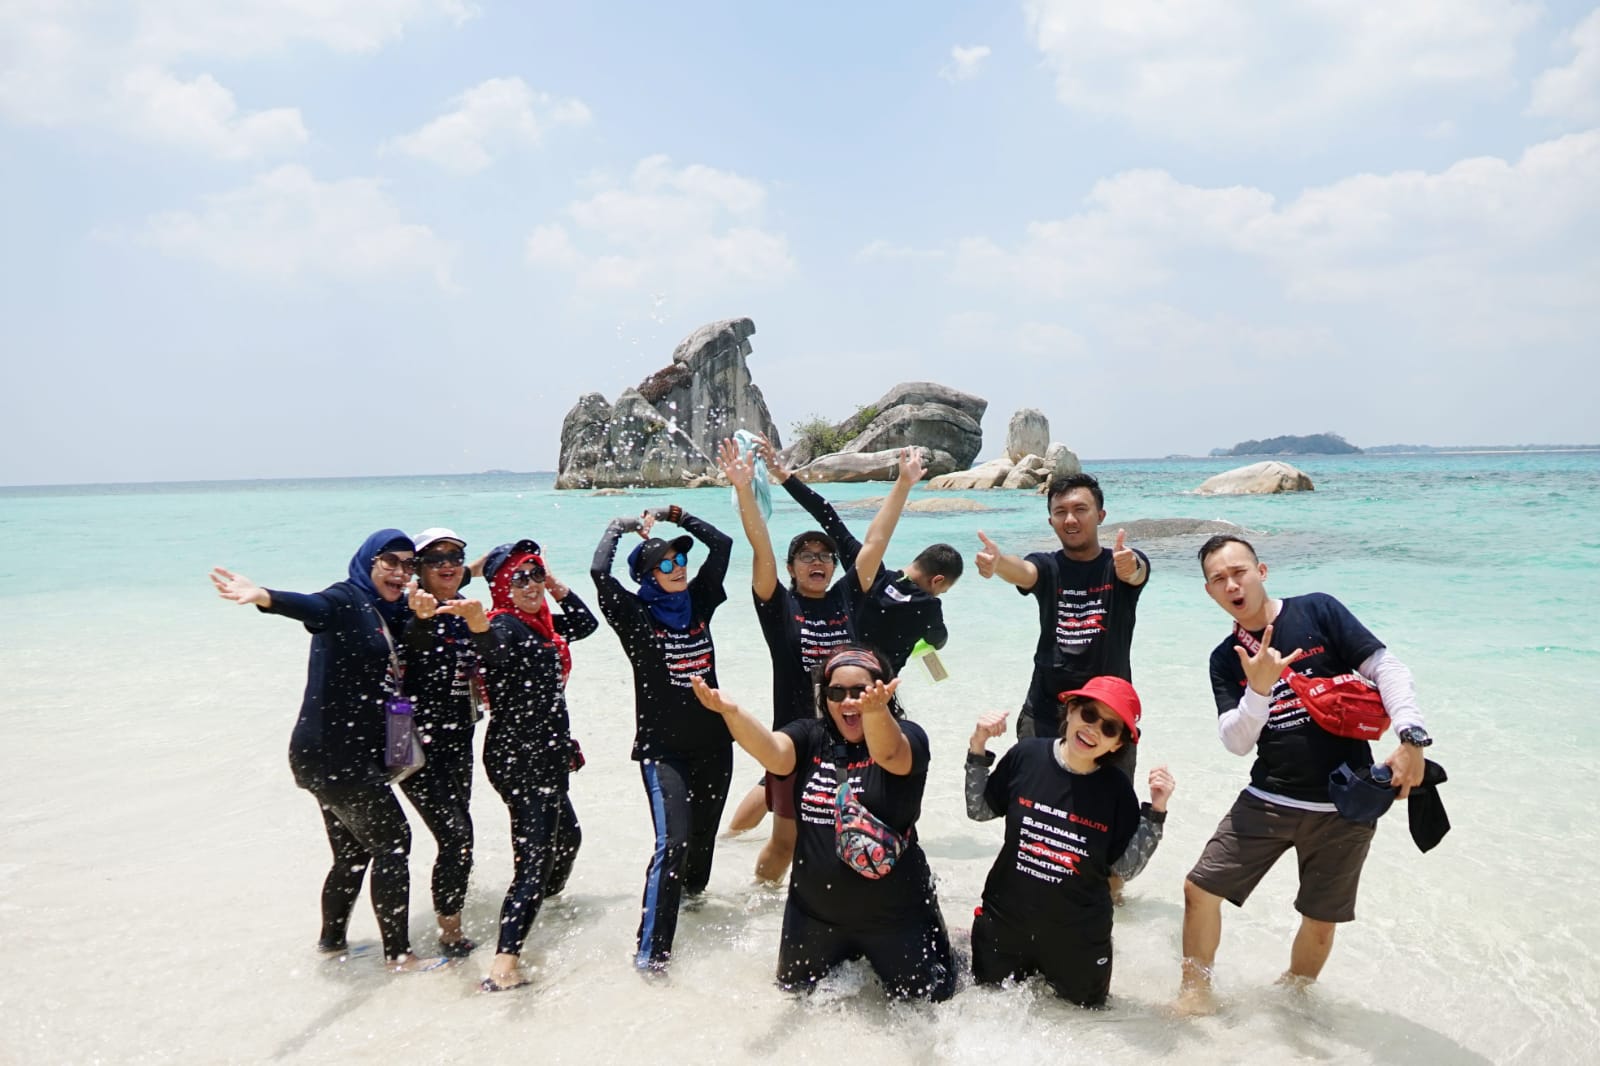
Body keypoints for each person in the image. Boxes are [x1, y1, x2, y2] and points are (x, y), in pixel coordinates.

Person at [1177, 534, 1433, 1015]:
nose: (1232, 585)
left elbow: (1387, 668)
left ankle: (1292, 1000)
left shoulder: (1317, 610)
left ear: (1262, 572)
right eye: (1219, 579)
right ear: (1209, 592)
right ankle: (1195, 993)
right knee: (1200, 889)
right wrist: (1258, 690)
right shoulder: (1225, 657)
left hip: (1345, 803)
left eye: (1239, 572)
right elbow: (1235, 742)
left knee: (1319, 919)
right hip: (1269, 797)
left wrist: (1411, 737)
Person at [208, 531, 444, 973]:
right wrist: (264, 596)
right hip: (336, 756)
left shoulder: (389, 608)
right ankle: (399, 956)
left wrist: (469, 571)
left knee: (353, 854)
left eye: (408, 564)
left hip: (331, 754)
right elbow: (312, 607)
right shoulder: (344, 600)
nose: (400, 572)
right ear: (367, 563)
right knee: (394, 843)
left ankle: (332, 944)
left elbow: (422, 607)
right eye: (390, 562)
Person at [691, 646, 956, 1002]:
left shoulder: (910, 736)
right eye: (836, 692)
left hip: (896, 917)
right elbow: (773, 753)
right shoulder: (810, 736)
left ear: (882, 692)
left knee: (929, 1005)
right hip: (814, 917)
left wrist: (875, 712)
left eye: (860, 691)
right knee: (795, 999)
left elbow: (889, 754)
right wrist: (732, 713)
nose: (848, 702)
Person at [965, 679, 1175, 1007]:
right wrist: (978, 745)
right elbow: (979, 810)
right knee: (985, 1008)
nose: (1093, 729)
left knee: (1084, 1025)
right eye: (1089, 714)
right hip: (1006, 925)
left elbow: (1125, 869)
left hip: (1078, 940)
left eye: (1109, 728)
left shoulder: (1117, 791)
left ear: (1118, 744)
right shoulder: (1026, 755)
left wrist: (1156, 812)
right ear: (1071, 710)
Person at [591, 503, 735, 975]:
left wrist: (677, 514)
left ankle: (692, 909)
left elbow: (723, 545)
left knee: (702, 841)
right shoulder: (635, 616)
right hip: (663, 751)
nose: (678, 569)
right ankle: (652, 955)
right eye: (666, 564)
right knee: (672, 844)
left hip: (715, 745)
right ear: (646, 576)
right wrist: (619, 527)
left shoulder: (699, 603)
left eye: (680, 560)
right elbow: (599, 573)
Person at [475, 539, 599, 992]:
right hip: (520, 758)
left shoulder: (542, 624)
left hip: (546, 754)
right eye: (519, 578)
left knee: (569, 838)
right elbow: (491, 648)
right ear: (500, 588)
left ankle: (538, 906)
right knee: (534, 860)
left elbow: (586, 623)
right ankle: (504, 964)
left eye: (536, 574)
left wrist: (553, 585)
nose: (531, 585)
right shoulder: (503, 625)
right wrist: (476, 625)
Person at [973, 472, 1150, 746]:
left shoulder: (1117, 564)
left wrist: (1131, 567)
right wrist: (999, 563)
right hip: (1045, 712)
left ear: (1100, 515)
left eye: (1080, 509)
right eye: (1060, 512)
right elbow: (1025, 572)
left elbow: (1137, 571)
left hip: (1106, 717)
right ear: (1051, 521)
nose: (1070, 519)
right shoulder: (1047, 565)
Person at [398, 527, 483, 958]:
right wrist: (421, 618)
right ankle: (450, 935)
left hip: (460, 739)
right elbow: (413, 639)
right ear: (419, 568)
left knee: (459, 830)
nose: (447, 565)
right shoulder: (411, 607)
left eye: (454, 557)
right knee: (457, 837)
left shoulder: (462, 602)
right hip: (414, 747)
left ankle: (451, 903)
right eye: (435, 559)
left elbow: (469, 570)